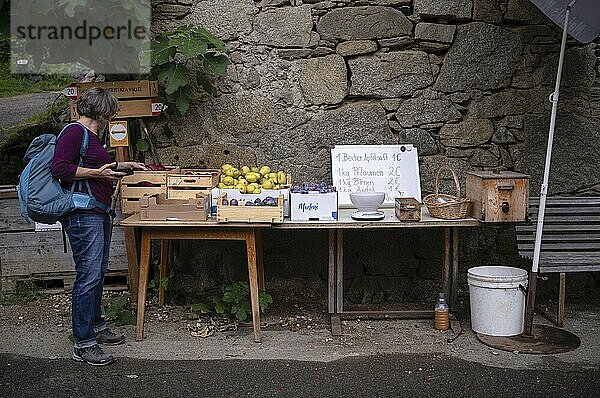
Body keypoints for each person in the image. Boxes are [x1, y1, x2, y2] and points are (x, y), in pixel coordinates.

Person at [51, 87, 146, 366]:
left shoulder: (89, 137)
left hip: (99, 212)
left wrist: (122, 164)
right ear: (101, 112)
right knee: (88, 275)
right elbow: (59, 169)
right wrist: (97, 172)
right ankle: (83, 343)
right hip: (83, 213)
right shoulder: (74, 133)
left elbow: (97, 166)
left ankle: (96, 324)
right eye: (109, 112)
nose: (110, 117)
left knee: (97, 272)